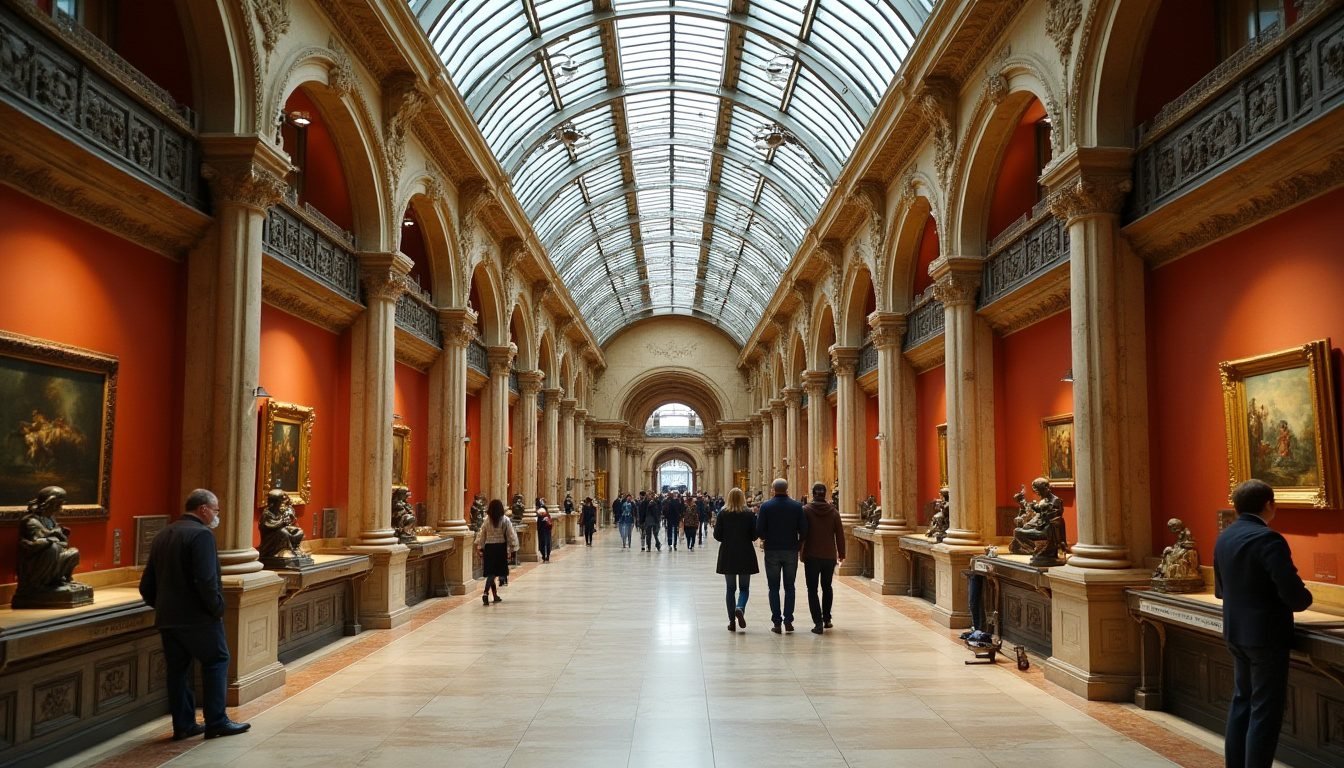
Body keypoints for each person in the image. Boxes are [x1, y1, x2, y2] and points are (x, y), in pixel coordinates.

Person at [1214, 479, 1313, 768]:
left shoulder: (1226, 536)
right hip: (1265, 637)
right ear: (1269, 504)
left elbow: (1221, 590)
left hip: (1235, 632)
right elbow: (1292, 593)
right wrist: (1304, 599)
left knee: (1242, 702)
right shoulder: (1267, 538)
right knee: (1265, 711)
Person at [138, 489, 249, 741]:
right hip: (198, 618)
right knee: (217, 661)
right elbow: (206, 579)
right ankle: (217, 722)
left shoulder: (163, 534)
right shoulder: (201, 535)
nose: (216, 515)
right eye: (216, 510)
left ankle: (184, 724)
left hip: (168, 618)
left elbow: (147, 584)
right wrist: (216, 607)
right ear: (203, 509)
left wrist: (163, 606)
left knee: (178, 671)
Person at [757, 478, 808, 633]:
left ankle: (777, 622)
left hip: (772, 550)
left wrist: (767, 539)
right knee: (789, 587)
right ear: (787, 489)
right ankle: (788, 621)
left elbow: (759, 530)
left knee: (773, 587)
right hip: (791, 550)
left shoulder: (766, 506)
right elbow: (804, 530)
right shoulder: (797, 506)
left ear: (773, 489)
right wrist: (798, 544)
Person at [801, 482, 846, 635]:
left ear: (813, 494)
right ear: (825, 494)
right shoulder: (833, 511)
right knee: (827, 587)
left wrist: (799, 550)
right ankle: (826, 618)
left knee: (812, 589)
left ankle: (818, 623)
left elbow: (802, 533)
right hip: (828, 556)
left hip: (811, 555)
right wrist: (842, 553)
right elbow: (839, 534)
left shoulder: (806, 510)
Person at [714, 488, 758, 633]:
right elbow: (754, 535)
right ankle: (740, 607)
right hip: (745, 553)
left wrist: (727, 538)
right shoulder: (749, 514)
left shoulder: (723, 513)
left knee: (730, 588)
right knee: (744, 588)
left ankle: (732, 621)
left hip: (728, 554)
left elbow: (717, 535)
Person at [475, 499, 519, 604]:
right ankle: (485, 593)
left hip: (489, 548)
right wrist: (513, 547)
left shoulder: (486, 520)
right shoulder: (505, 520)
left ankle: (494, 595)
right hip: (500, 548)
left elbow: (482, 534)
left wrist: (480, 547)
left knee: (491, 572)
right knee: (494, 573)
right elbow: (510, 534)